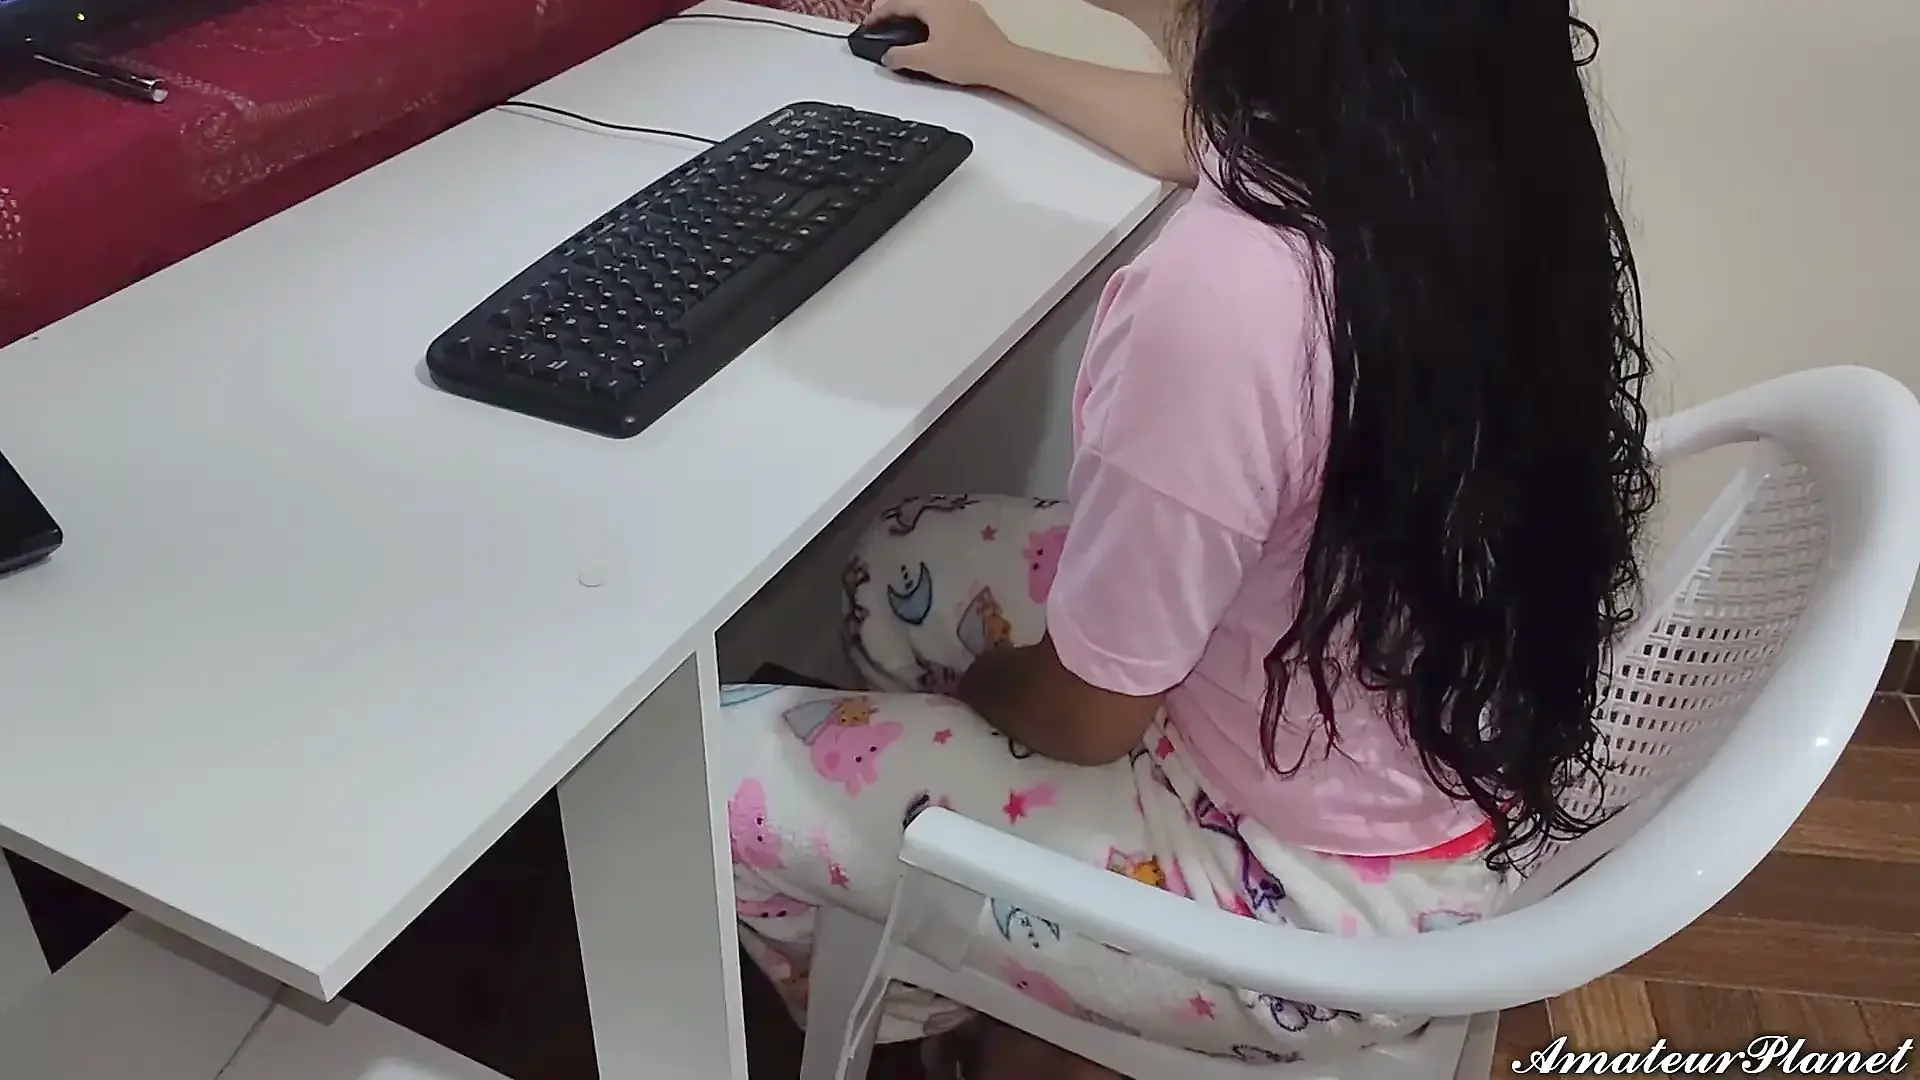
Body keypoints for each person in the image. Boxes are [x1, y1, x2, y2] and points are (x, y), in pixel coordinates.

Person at [719, 0, 1656, 1075]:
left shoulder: (1225, 291)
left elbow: (1085, 715)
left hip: (1310, 906)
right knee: (894, 563)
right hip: (1427, 758)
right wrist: (1002, 61)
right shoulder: (1427, 136)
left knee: (725, 765)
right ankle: (969, 960)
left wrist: (986, 686)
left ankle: (952, 1002)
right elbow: (1196, 130)